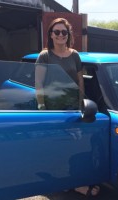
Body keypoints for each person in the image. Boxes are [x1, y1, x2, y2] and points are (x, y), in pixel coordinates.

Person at [35, 18, 100, 197]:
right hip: (53, 109)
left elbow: (80, 81)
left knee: (75, 147)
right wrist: (42, 107)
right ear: (51, 35)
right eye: (57, 32)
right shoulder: (45, 55)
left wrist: (82, 103)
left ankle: (72, 181)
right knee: (58, 148)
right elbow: (39, 83)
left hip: (72, 108)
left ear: (68, 34)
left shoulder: (74, 55)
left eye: (64, 32)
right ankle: (68, 184)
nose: (61, 35)